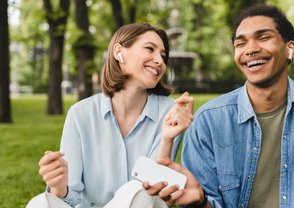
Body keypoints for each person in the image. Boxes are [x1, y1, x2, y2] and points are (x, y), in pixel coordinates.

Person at [144, 3, 294, 208]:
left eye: (264, 37)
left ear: (290, 48)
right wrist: (200, 202)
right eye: (240, 43)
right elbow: (202, 199)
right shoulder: (208, 121)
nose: (251, 49)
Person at [37, 22, 193, 207]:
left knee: (137, 192)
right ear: (119, 52)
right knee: (40, 202)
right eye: (150, 49)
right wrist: (58, 186)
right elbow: (70, 198)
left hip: (140, 202)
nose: (159, 60)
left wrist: (167, 139)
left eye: (163, 55)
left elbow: (152, 192)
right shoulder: (80, 114)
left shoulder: (170, 112)